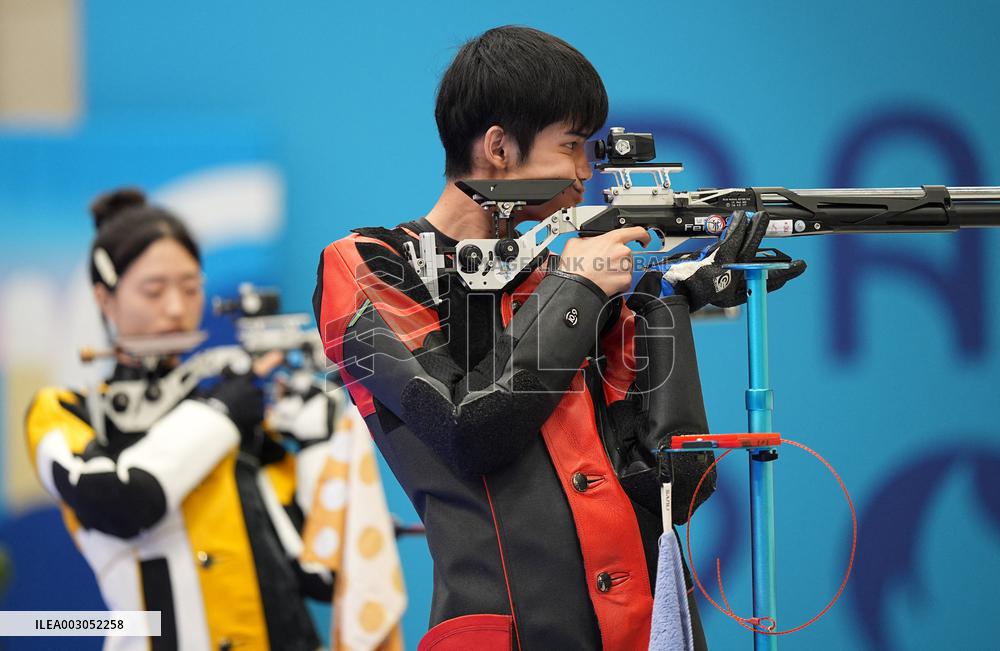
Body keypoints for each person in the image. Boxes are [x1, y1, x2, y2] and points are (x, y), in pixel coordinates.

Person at [314, 26, 804, 650]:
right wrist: (578, 291)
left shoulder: (568, 276)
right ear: (498, 146)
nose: (584, 173)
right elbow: (468, 430)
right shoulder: (368, 263)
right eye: (571, 146)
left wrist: (668, 303)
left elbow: (674, 490)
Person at [25, 188, 340, 651]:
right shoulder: (67, 412)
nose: (176, 308)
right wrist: (220, 416)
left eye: (191, 288)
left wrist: (319, 444)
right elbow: (122, 501)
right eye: (154, 290)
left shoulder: (240, 406)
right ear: (104, 298)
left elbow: (325, 575)